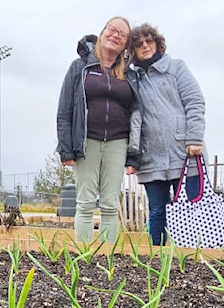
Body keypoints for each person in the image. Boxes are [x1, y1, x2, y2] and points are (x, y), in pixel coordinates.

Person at [56, 16, 141, 243]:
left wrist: (134, 155)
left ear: (125, 45)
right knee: (84, 203)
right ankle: (84, 257)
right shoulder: (80, 67)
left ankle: (107, 260)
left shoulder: (129, 75)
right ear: (102, 33)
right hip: (86, 142)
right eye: (112, 30)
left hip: (117, 143)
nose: (115, 35)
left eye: (121, 34)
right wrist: (66, 149)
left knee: (110, 205)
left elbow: (136, 114)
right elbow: (65, 109)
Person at [128, 23, 206, 246]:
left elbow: (194, 101)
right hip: (151, 158)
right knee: (157, 213)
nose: (144, 46)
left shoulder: (176, 67)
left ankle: (191, 259)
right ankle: (157, 262)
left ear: (157, 43)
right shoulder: (133, 79)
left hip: (184, 152)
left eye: (148, 41)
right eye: (138, 44)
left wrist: (194, 138)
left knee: (190, 210)